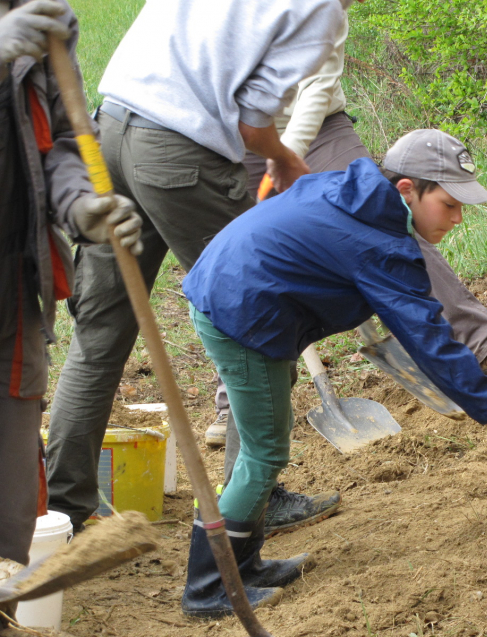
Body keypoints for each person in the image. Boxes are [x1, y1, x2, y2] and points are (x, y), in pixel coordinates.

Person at [181, 129, 487, 617]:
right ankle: (208, 587)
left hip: (240, 290)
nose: (457, 218)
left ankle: (246, 565)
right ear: (406, 189)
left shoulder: (355, 195)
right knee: (266, 451)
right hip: (240, 311)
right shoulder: (375, 241)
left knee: (267, 439)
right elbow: (429, 338)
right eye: (450, 204)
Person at [45, 0, 347, 539]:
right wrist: (283, 156)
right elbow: (255, 127)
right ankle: (251, 499)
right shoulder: (320, 9)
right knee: (257, 321)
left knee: (100, 335)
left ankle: (64, 509)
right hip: (180, 154)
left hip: (110, 131)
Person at [0, 0, 142, 626]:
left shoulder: (48, 20)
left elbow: (57, 143)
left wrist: (82, 205)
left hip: (10, 282)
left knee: (10, 502)